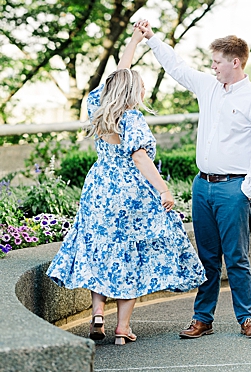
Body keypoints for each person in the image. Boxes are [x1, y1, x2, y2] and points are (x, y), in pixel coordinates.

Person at [47, 27, 205, 345]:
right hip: (126, 194)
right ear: (132, 92)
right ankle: (122, 328)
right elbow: (140, 157)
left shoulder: (98, 107)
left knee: (102, 252)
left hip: (97, 191)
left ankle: (97, 316)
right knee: (129, 256)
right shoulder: (132, 119)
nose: (144, 90)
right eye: (142, 86)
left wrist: (134, 40)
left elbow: (119, 74)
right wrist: (163, 189)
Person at [136, 21, 251, 339]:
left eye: (217, 62)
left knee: (236, 257)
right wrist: (151, 39)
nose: (212, 67)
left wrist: (247, 191)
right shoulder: (208, 86)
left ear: (235, 62)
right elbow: (177, 67)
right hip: (203, 186)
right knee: (207, 257)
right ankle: (203, 318)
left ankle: (247, 318)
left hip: (234, 189)